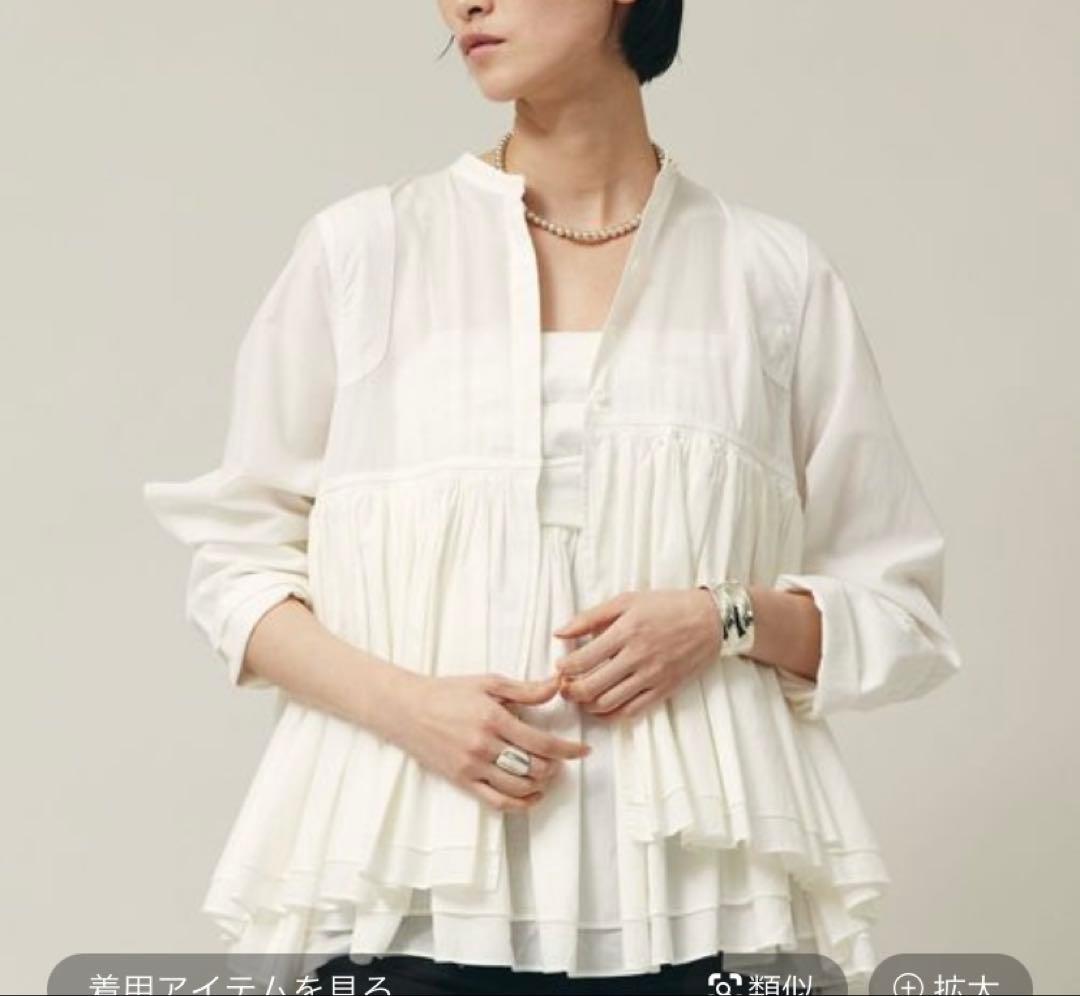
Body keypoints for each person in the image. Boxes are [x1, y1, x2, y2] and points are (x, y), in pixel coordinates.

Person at [142, 1, 963, 993]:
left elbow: (898, 611)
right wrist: (409, 708)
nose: (463, 4)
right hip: (412, 902)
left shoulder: (770, 277)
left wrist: (721, 619)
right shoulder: (366, 252)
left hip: (706, 906)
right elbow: (235, 570)